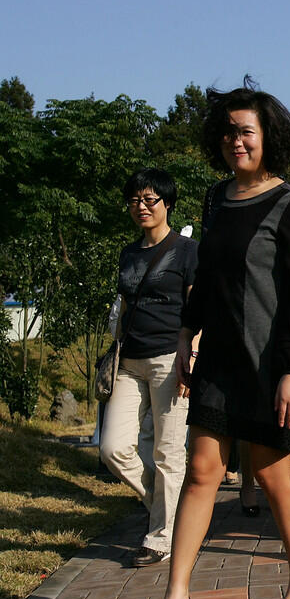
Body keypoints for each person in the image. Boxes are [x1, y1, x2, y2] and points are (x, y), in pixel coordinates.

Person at [139, 82, 290, 599]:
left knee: (271, 475)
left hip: (267, 364)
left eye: (247, 131)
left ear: (269, 138)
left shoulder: (289, 205)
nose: (235, 141)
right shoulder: (217, 198)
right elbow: (210, 277)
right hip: (217, 357)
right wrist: (188, 332)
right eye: (228, 131)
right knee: (200, 473)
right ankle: (176, 597)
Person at [101, 168, 198, 569]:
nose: (141, 207)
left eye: (150, 200)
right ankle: (166, 510)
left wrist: (191, 356)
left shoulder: (188, 251)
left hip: (168, 358)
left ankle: (161, 536)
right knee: (113, 447)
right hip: (130, 358)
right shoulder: (129, 252)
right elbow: (124, 305)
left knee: (168, 452)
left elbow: (197, 308)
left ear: (167, 203)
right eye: (135, 200)